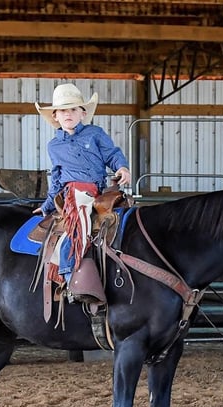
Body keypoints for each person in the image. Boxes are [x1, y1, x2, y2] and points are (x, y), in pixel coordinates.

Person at [33, 83, 131, 288]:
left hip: (98, 192)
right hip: (74, 192)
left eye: (73, 109)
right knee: (79, 226)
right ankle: (68, 275)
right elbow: (57, 178)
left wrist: (121, 167)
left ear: (82, 113)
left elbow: (111, 154)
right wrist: (48, 205)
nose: (68, 114)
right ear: (55, 116)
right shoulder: (54, 146)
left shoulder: (95, 133)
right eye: (62, 110)